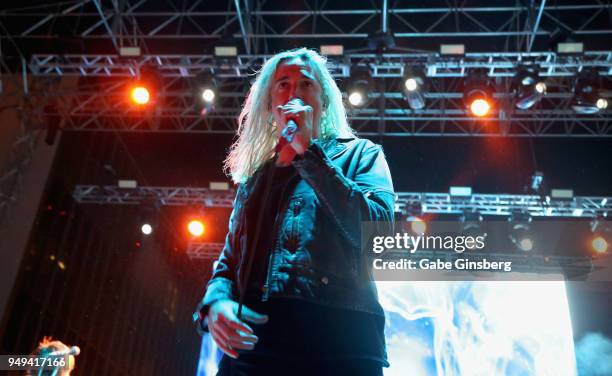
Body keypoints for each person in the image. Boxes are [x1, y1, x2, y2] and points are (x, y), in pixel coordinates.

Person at [194, 48, 395, 375]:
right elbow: (229, 261)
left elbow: (379, 232)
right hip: (256, 343)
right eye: (283, 84)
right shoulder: (256, 178)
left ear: (323, 100)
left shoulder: (361, 155)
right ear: (270, 104)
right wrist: (215, 302)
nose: (294, 93)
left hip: (341, 343)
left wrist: (310, 154)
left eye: (305, 84)